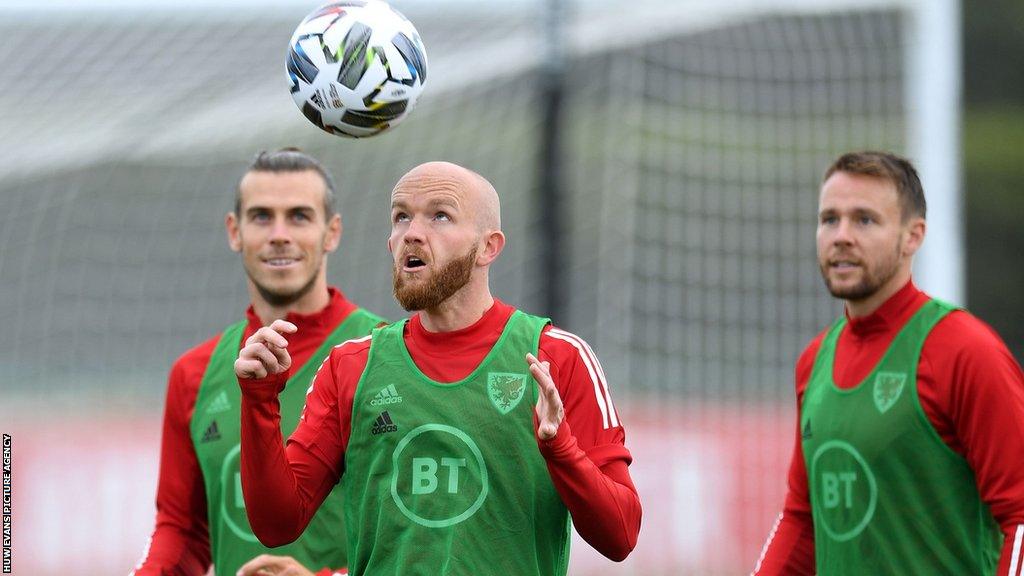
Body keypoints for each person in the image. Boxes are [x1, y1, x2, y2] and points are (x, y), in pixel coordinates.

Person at [234, 161, 642, 575]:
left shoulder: (558, 357)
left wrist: (561, 450)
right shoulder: (351, 365)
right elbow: (277, 522)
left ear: (489, 247)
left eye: (440, 215)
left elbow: (621, 536)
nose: (411, 232)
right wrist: (259, 400)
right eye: (400, 216)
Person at [752, 151, 1024, 575]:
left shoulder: (965, 352)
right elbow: (802, 520)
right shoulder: (814, 362)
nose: (841, 235)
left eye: (864, 220)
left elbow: (1020, 513)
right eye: (829, 219)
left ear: (912, 236)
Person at [131, 149, 384, 576]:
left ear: (332, 233)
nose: (280, 234)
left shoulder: (387, 354)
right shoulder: (193, 373)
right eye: (262, 216)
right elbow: (183, 532)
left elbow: (416, 537)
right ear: (235, 231)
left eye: (300, 216)